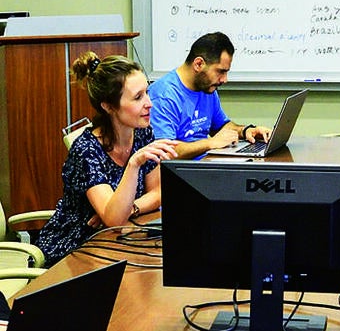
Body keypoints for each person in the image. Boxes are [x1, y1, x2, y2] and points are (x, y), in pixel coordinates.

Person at [35, 53, 178, 266]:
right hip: (75, 248)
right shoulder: (86, 150)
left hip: (117, 238)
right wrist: (133, 164)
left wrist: (129, 208)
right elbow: (114, 220)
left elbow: (157, 194)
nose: (149, 103)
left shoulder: (142, 133)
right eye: (138, 97)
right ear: (109, 106)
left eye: (146, 92)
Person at [149, 31, 271, 159]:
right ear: (198, 64)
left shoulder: (206, 87)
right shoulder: (163, 96)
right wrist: (210, 143)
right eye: (221, 71)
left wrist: (246, 131)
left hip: (207, 164)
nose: (224, 80)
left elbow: (220, 127)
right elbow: (164, 153)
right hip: (180, 174)